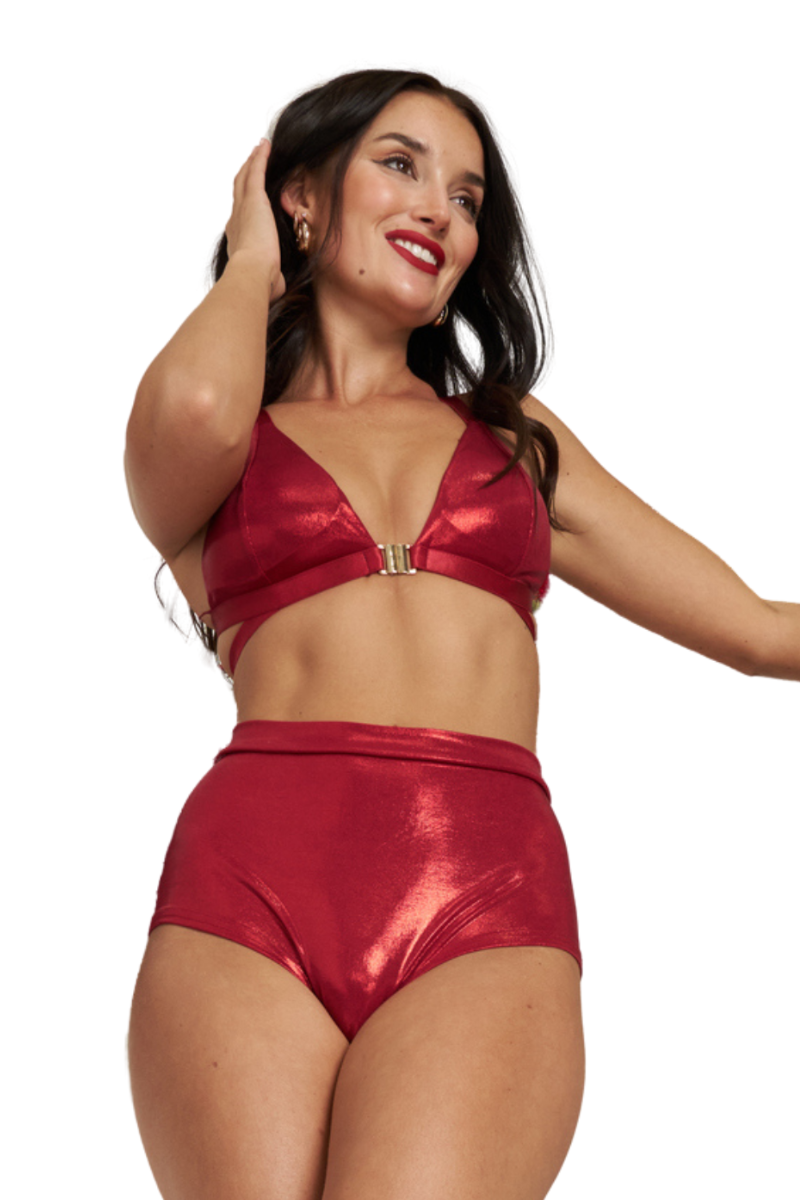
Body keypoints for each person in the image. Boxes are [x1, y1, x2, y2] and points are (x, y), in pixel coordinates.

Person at [124, 68, 799, 1200]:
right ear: (302, 197)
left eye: (469, 197)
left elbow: (761, 631)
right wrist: (251, 263)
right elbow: (192, 407)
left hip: (479, 891)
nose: (441, 209)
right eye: (401, 165)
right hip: (245, 891)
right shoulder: (221, 440)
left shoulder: (514, 440)